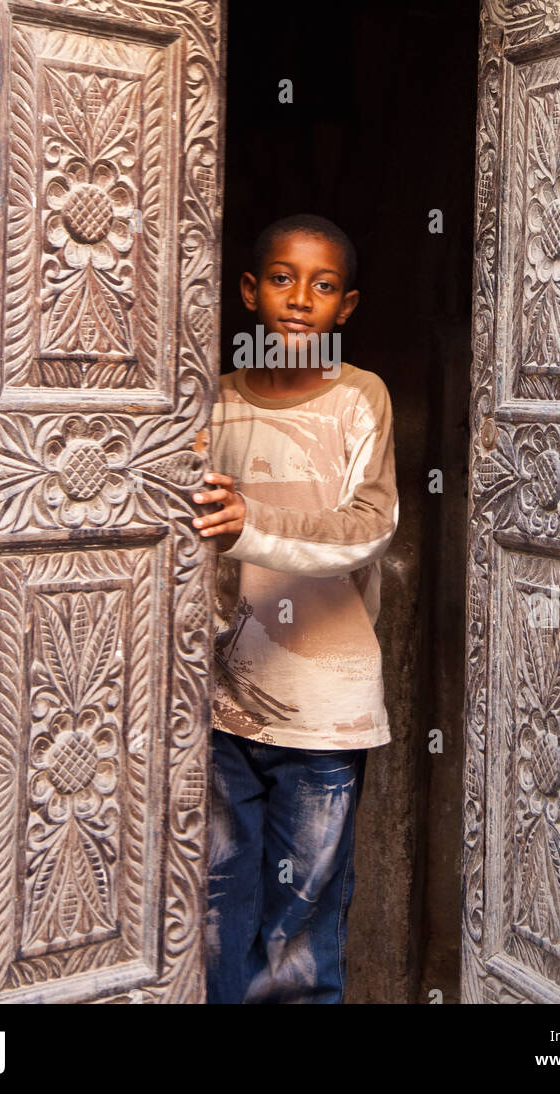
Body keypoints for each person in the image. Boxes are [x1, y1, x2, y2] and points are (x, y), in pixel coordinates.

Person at [193, 213, 398, 1003]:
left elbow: (368, 526)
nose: (300, 300)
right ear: (250, 290)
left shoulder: (360, 399)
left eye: (322, 286)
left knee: (301, 934)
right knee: (214, 915)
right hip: (221, 703)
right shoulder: (212, 400)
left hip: (325, 709)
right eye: (282, 279)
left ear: (346, 307)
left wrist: (256, 524)